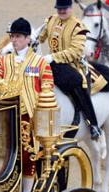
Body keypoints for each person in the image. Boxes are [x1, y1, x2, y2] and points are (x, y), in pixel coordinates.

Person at [0, 17, 54, 192]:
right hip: (6, 114)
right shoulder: (4, 61)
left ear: (28, 39)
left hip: (28, 116)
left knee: (28, 155)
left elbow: (48, 88)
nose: (14, 40)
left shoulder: (40, 62)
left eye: (18, 36)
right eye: (12, 36)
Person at [39, 0, 103, 141]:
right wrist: (33, 37)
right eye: (59, 9)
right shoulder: (51, 20)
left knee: (77, 83)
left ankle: (93, 125)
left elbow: (75, 52)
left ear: (71, 8)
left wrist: (53, 57)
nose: (61, 11)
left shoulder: (79, 27)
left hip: (72, 66)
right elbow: (41, 37)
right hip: (51, 63)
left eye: (65, 9)